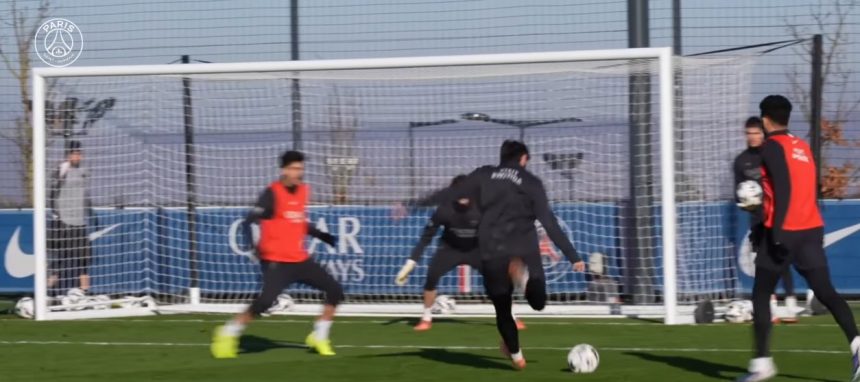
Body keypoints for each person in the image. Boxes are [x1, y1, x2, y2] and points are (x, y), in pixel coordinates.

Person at [420, 140, 585, 370]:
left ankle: (517, 357)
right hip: (525, 249)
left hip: (491, 249)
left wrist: (412, 204)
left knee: (502, 309)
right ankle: (523, 278)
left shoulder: (483, 174)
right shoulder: (531, 182)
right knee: (538, 303)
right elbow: (548, 222)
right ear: (523, 158)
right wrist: (572, 255)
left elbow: (450, 193)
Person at [737, 95, 860, 382]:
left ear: (765, 119)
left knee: (760, 293)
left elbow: (782, 187)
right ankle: (857, 344)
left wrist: (774, 231)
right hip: (811, 229)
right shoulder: (801, 147)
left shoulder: (771, 148)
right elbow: (807, 187)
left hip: (786, 232)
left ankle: (762, 364)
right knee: (827, 292)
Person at [211, 151, 344, 359]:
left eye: (300, 169)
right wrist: (254, 248)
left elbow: (298, 221)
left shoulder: (303, 191)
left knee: (335, 290)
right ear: (284, 170)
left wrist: (322, 235)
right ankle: (229, 332)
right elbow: (247, 222)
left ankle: (320, 335)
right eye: (293, 168)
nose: (298, 173)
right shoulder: (272, 194)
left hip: (300, 260)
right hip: (275, 261)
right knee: (266, 302)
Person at [395, 175, 526, 331]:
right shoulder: (444, 210)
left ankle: (510, 316)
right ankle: (426, 318)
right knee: (432, 276)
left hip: (476, 249)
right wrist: (411, 262)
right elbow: (426, 238)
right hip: (450, 249)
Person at [733, 117, 797, 323]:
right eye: (749, 133)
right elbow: (738, 193)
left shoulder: (772, 154)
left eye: (756, 133)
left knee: (783, 257)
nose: (752, 137)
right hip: (757, 219)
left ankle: (791, 303)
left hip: (777, 215)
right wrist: (746, 200)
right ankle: (771, 308)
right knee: (761, 261)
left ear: (763, 133)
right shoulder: (741, 161)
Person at [47, 140, 96, 294]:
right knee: (59, 260)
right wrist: (56, 214)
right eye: (75, 153)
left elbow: (85, 194)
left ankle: (84, 292)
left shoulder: (84, 170)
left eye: (79, 153)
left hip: (79, 222)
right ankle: (48, 292)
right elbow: (52, 193)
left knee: (84, 259)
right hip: (63, 222)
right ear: (68, 155)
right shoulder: (61, 170)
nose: (78, 156)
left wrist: (91, 214)